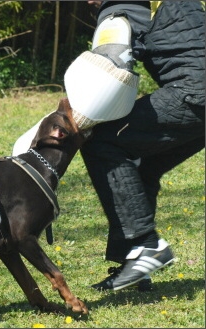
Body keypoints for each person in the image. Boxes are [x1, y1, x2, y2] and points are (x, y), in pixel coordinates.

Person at [13, 1, 205, 291]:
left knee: (103, 142)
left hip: (193, 94)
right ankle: (133, 261)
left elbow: (110, 71)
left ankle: (144, 245)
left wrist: (76, 119)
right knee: (141, 164)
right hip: (197, 99)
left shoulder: (117, 8)